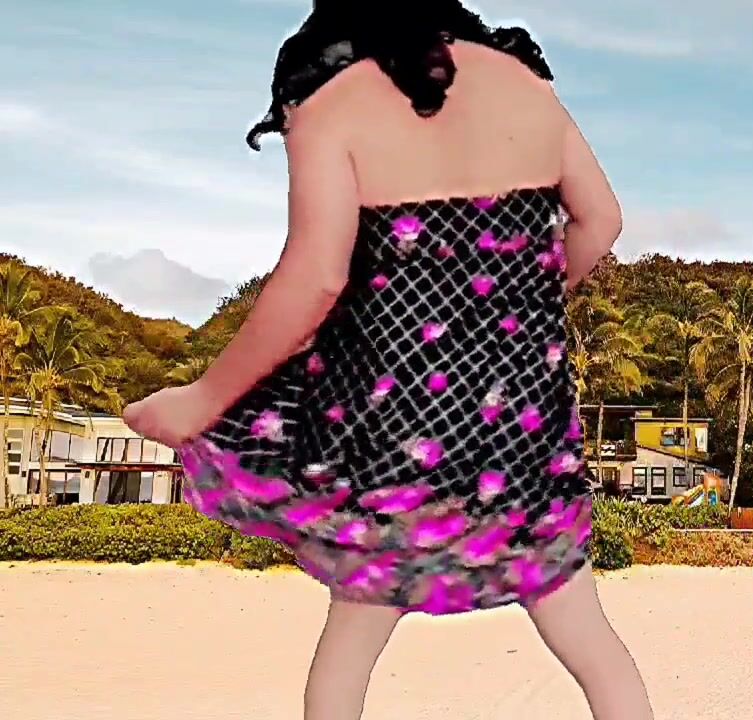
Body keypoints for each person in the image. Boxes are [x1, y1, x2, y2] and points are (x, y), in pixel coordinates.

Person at [122, 3, 653, 719]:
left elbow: (317, 279)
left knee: (349, 650)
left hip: (394, 419)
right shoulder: (525, 85)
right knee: (589, 640)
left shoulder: (330, 103)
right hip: (523, 416)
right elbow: (602, 219)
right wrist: (516, 313)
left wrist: (202, 399)